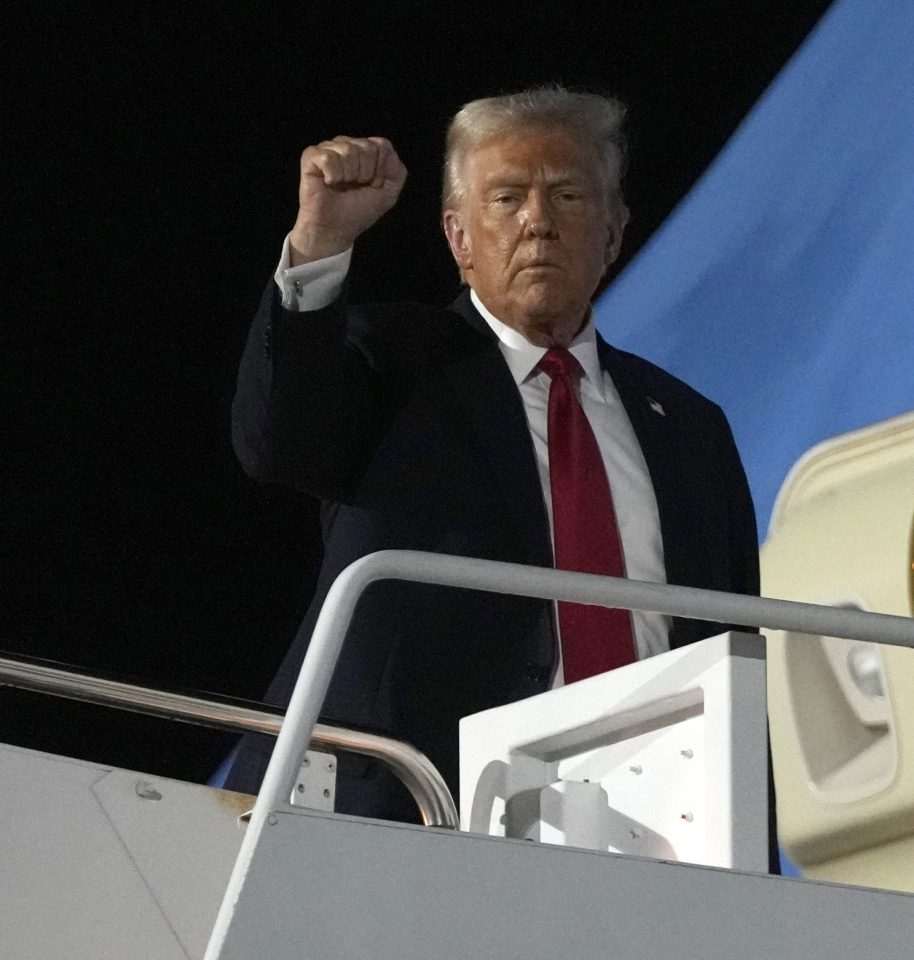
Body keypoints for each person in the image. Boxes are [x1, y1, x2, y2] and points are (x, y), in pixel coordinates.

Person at [224, 86, 760, 822]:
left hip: (654, 824)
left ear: (613, 232)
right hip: (421, 812)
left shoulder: (691, 429)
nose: (537, 221)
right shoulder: (395, 368)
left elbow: (734, 653)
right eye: (507, 198)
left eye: (568, 195)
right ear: (459, 238)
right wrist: (321, 245)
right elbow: (274, 439)